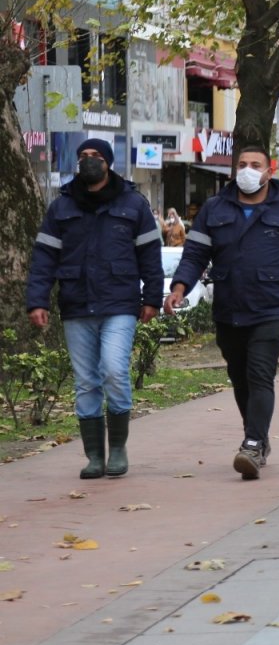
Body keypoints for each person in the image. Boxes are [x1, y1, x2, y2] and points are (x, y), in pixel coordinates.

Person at [165, 145, 279, 480]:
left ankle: (251, 443)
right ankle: (259, 438)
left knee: (259, 373)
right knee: (239, 377)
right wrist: (179, 287)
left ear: (269, 171)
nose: (248, 170)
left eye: (255, 165)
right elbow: (194, 254)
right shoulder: (214, 208)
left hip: (272, 307)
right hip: (229, 308)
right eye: (242, 164)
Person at [26, 138, 163, 479]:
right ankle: (94, 456)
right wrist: (37, 300)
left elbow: (150, 256)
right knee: (86, 382)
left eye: (96, 156)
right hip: (76, 304)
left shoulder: (133, 204)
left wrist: (152, 299)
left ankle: (117, 448)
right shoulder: (61, 207)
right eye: (83, 156)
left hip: (119, 302)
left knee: (114, 370)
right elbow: (44, 258)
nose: (88, 161)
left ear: (108, 163)